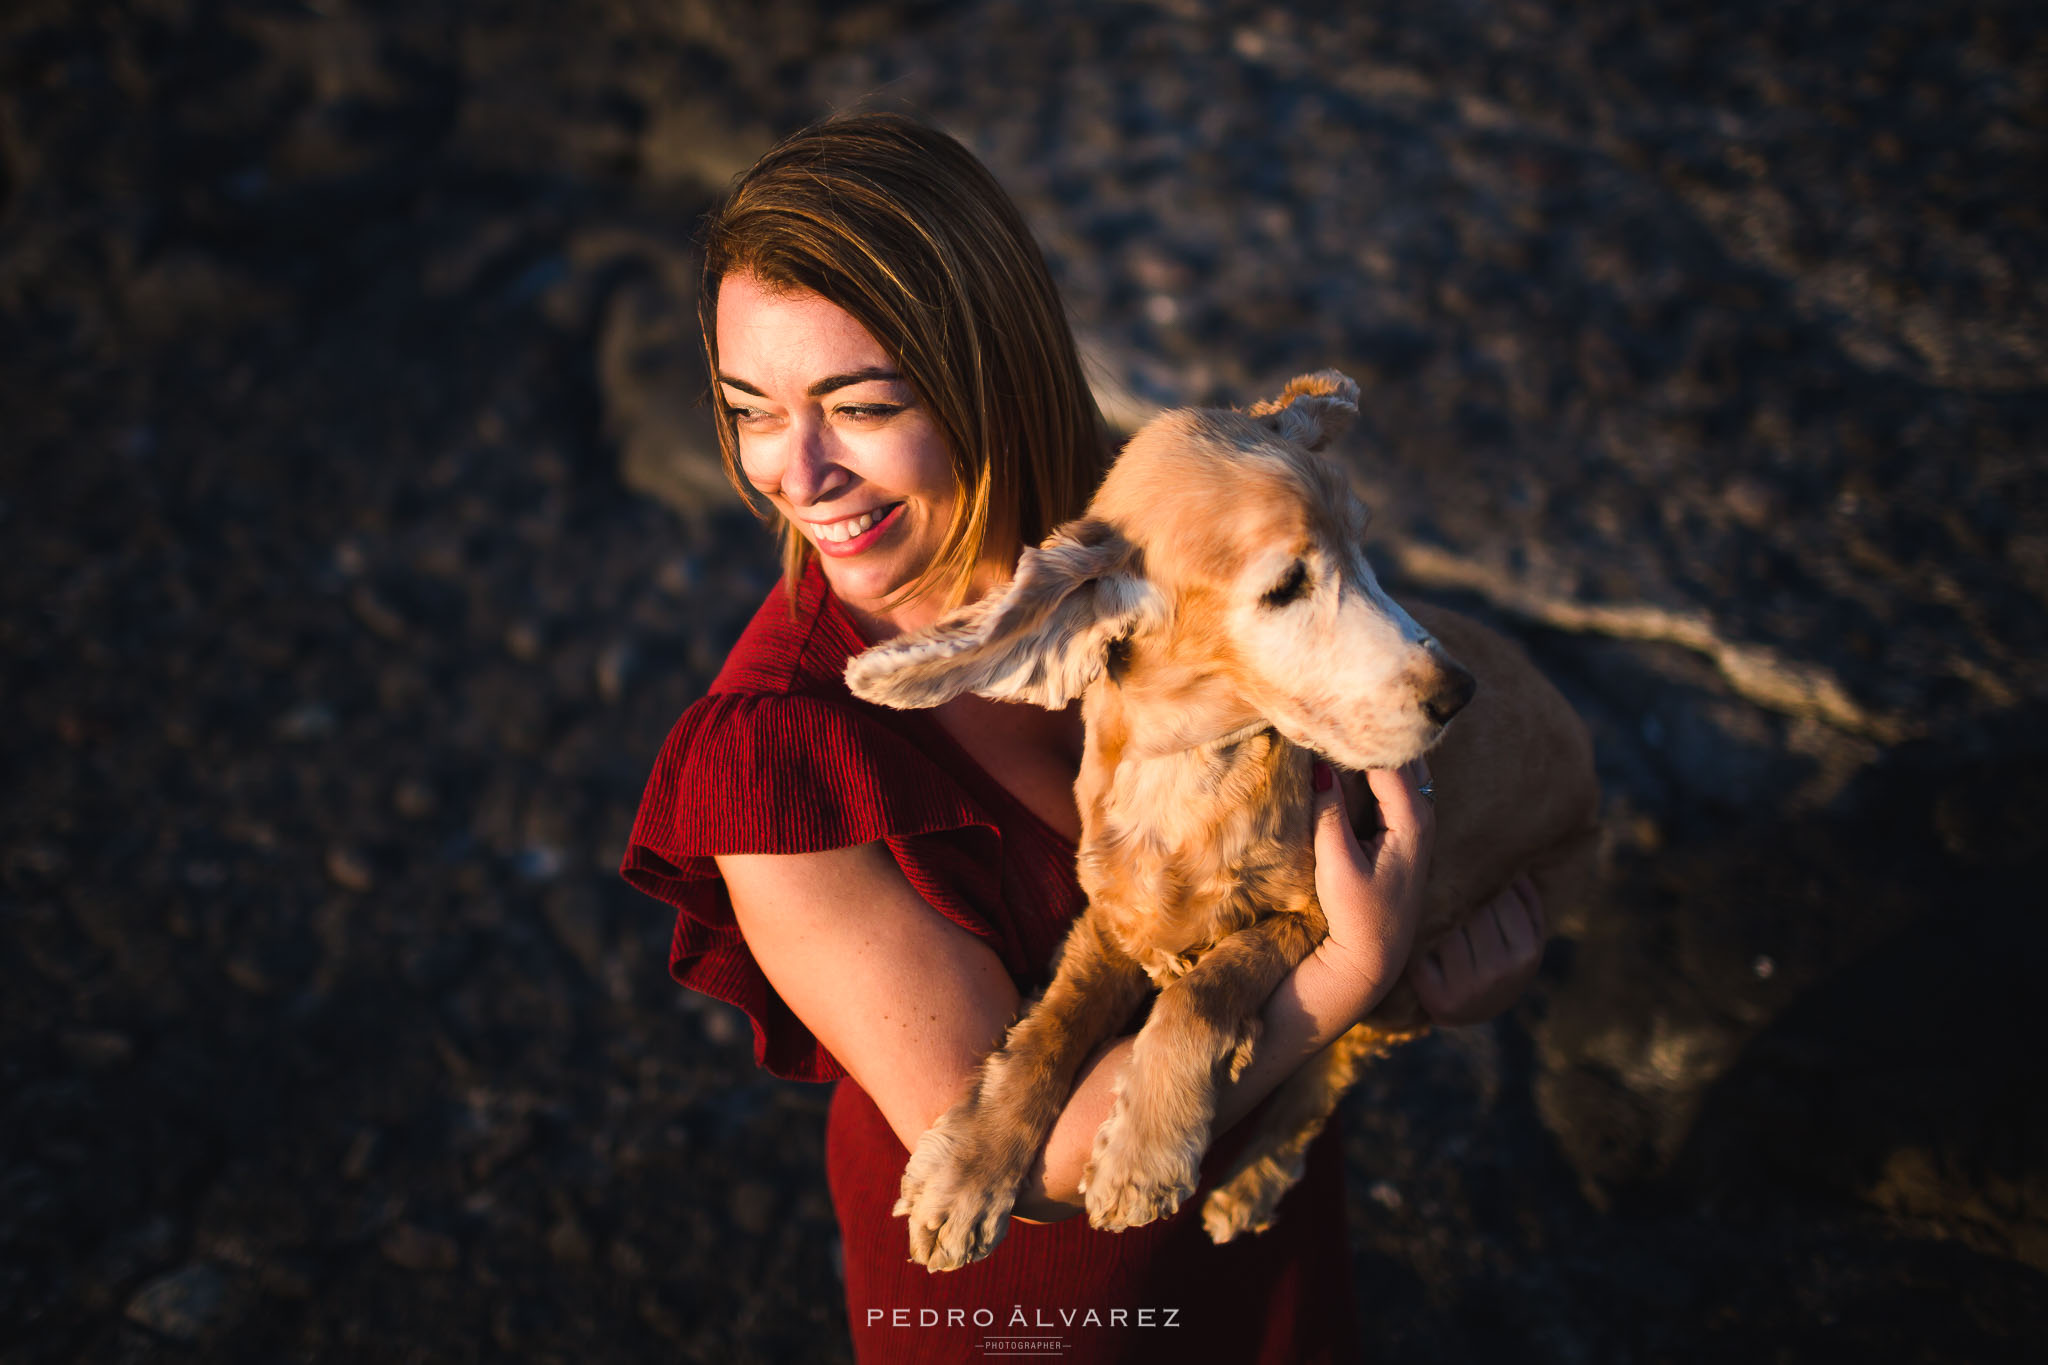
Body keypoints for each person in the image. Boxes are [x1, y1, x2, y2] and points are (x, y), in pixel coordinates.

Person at [621, 112, 1548, 1364]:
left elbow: (1353, 787)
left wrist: (1454, 967)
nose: (799, 473)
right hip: (1034, 1315)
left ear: (988, 374)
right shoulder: (774, 764)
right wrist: (1351, 973)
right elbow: (1050, 1166)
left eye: (860, 404)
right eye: (750, 409)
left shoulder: (1169, 530)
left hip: (1249, 1213)